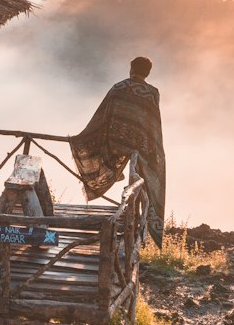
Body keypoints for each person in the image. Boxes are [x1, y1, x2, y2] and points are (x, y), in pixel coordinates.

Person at [69, 56, 166, 245]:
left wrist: (82, 137)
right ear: (148, 72)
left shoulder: (118, 88)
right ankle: (135, 219)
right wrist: (151, 147)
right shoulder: (153, 93)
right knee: (142, 173)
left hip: (114, 142)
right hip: (139, 147)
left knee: (127, 172)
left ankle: (114, 171)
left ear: (131, 69)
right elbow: (153, 125)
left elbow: (102, 116)